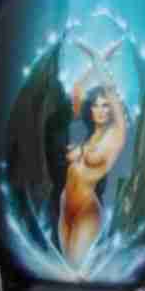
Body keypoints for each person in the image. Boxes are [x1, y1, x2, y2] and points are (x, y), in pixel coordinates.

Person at [59, 41, 126, 266]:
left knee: (75, 270)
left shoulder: (115, 135)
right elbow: (78, 88)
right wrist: (95, 64)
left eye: (106, 106)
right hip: (65, 204)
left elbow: (110, 91)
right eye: (96, 105)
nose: (100, 110)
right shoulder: (85, 133)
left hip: (86, 211)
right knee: (64, 269)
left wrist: (98, 61)